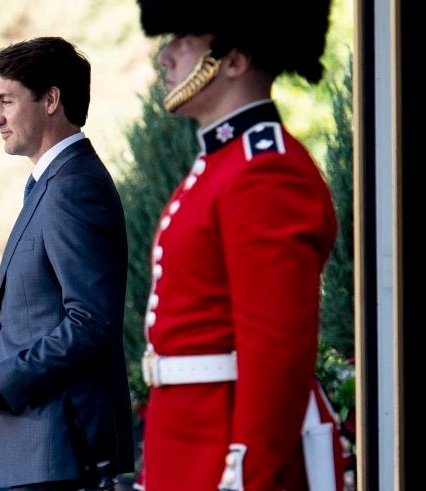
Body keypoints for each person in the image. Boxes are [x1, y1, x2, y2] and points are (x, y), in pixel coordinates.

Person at [135, 1, 339, 490]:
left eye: (183, 39)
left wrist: (250, 470)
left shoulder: (265, 171)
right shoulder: (222, 166)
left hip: (221, 451)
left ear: (232, 59)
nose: (167, 58)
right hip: (183, 442)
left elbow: (275, 352)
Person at [0, 37, 134, 491]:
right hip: (38, 454)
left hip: (60, 453)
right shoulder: (51, 183)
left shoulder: (74, 186)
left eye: (5, 100)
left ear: (51, 100)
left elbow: (91, 322)